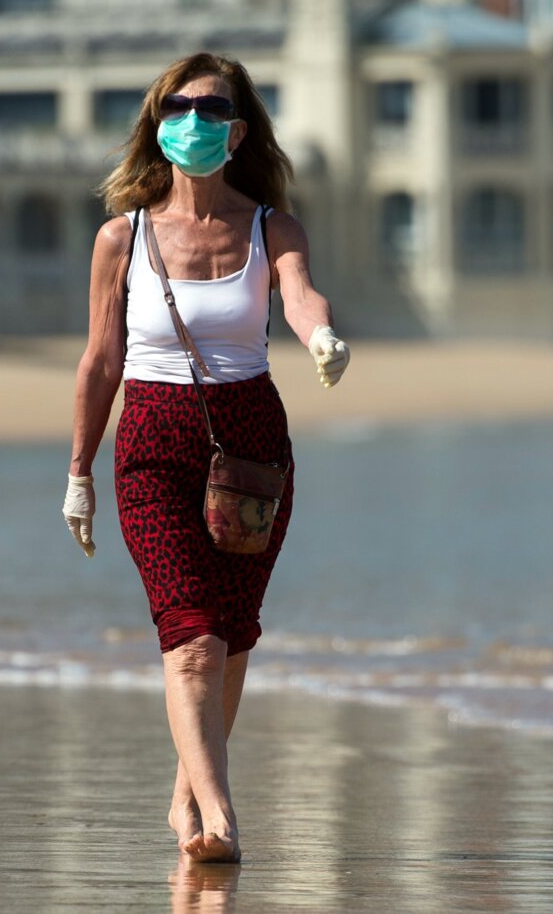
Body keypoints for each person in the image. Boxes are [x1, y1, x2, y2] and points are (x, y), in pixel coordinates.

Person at [60, 53, 349, 864]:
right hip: (152, 445)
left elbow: (300, 293)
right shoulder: (121, 237)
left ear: (239, 131)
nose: (194, 120)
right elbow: (100, 361)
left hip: (252, 446)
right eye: (178, 107)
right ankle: (221, 819)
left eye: (212, 108)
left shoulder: (271, 227)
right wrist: (79, 473)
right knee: (191, 636)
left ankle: (186, 795)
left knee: (232, 638)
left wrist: (321, 335)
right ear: (158, 125)